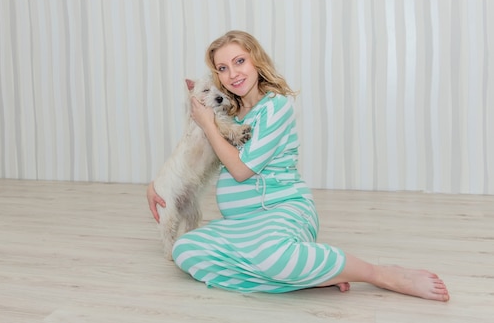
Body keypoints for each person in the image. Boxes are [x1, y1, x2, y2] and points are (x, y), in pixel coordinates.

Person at [146, 30, 450, 301]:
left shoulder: (276, 106)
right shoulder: (229, 112)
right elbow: (188, 153)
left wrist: (208, 125)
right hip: (242, 225)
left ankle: (378, 273)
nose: (232, 74)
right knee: (184, 250)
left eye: (239, 61)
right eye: (222, 68)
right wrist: (157, 185)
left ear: (256, 61)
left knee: (272, 255)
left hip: (282, 212)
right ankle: (305, 278)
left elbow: (241, 170)